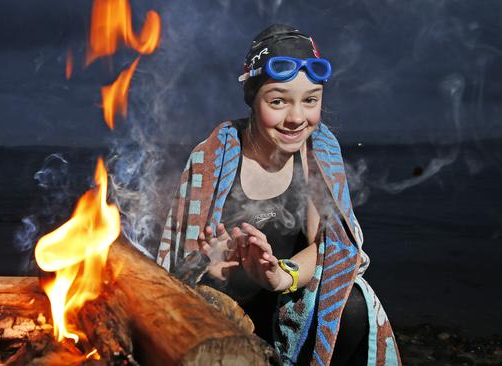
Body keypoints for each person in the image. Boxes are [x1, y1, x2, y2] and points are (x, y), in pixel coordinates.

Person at [156, 24, 401, 365]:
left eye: (310, 100)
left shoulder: (319, 153)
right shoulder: (211, 157)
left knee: (354, 302)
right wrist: (213, 268)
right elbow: (177, 269)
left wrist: (280, 275)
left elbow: (331, 247)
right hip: (225, 307)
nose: (297, 118)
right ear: (253, 100)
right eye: (278, 101)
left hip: (285, 308)